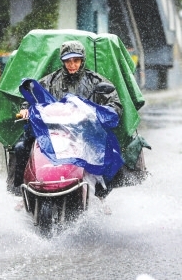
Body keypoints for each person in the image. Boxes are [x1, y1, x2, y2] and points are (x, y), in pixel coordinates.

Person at [11, 40, 123, 213]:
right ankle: (22, 192)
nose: (72, 65)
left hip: (84, 133)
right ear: (62, 61)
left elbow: (115, 103)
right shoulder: (50, 80)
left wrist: (101, 113)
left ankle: (100, 195)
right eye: (68, 61)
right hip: (52, 132)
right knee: (20, 147)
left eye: (76, 61)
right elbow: (31, 97)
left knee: (111, 154)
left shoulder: (95, 81)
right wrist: (26, 109)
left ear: (82, 60)